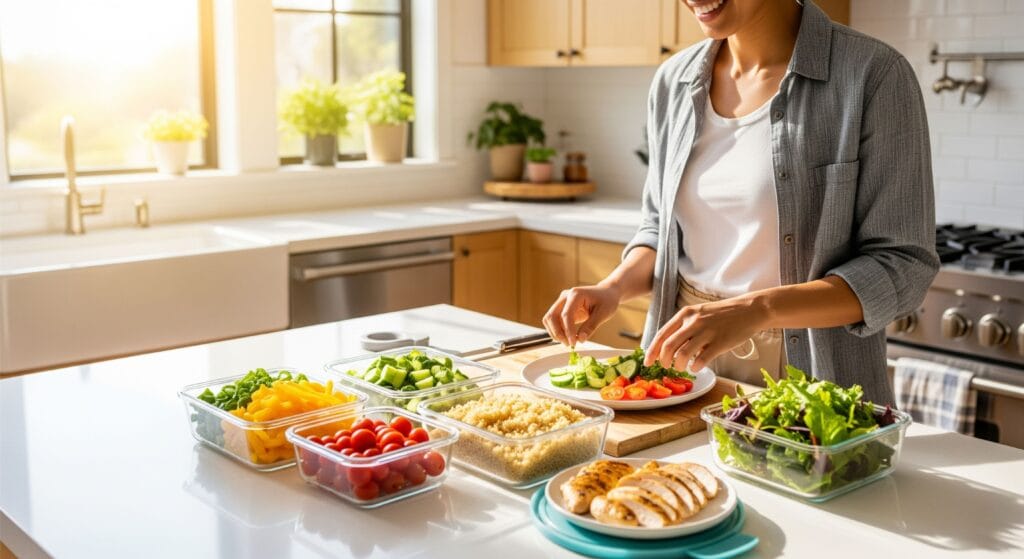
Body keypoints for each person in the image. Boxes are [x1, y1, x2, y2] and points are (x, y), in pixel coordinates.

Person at [541, 0, 939, 404]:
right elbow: (660, 229)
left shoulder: (872, 75)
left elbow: (902, 266)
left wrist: (758, 310)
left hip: (812, 378)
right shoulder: (673, 82)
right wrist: (612, 288)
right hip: (679, 367)